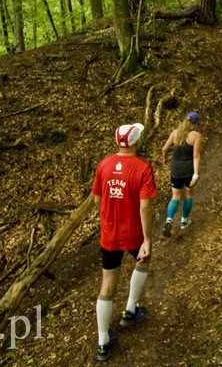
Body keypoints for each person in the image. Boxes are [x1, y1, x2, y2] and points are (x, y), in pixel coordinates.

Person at [92, 122, 157, 361]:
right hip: (132, 233)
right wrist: (147, 238)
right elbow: (146, 205)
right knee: (144, 260)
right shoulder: (142, 168)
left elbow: (97, 199)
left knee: (107, 284)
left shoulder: (103, 165)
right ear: (136, 142)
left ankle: (102, 342)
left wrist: (109, 216)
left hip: (109, 234)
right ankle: (130, 309)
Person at [161, 112, 203, 237]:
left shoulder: (175, 133)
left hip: (175, 169)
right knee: (188, 194)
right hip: (188, 169)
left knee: (175, 195)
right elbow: (196, 156)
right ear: (196, 124)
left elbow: (164, 149)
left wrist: (164, 159)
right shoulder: (196, 135)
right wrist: (195, 174)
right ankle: (184, 221)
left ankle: (169, 219)